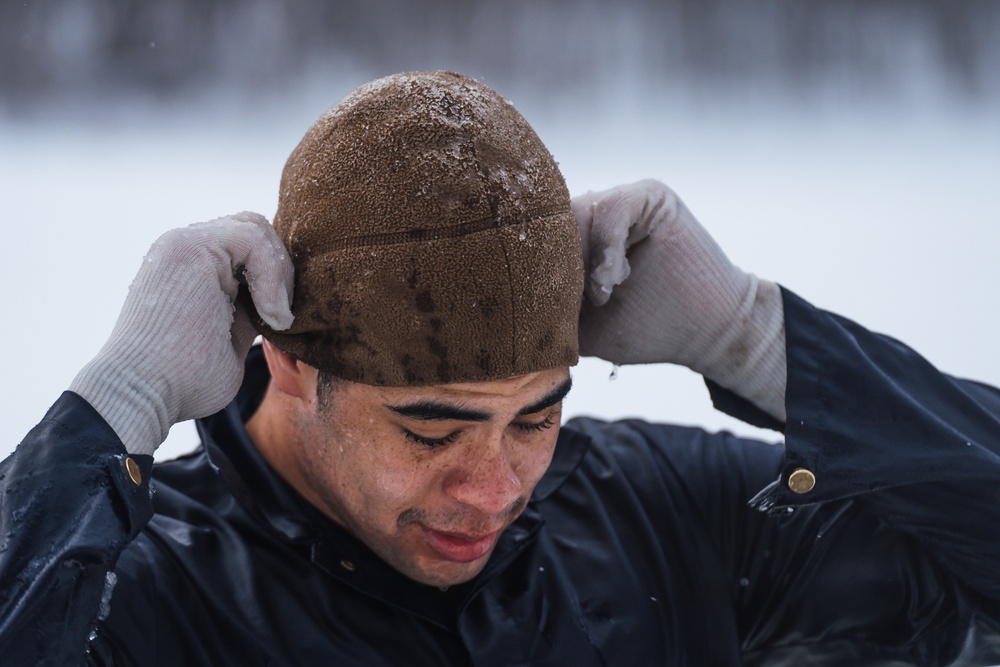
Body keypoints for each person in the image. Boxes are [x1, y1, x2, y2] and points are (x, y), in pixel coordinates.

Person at [1, 71, 999, 667]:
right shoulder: (137, 587)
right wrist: (112, 409)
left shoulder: (645, 518)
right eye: (429, 430)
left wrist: (762, 342)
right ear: (290, 362)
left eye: (534, 417)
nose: (494, 490)